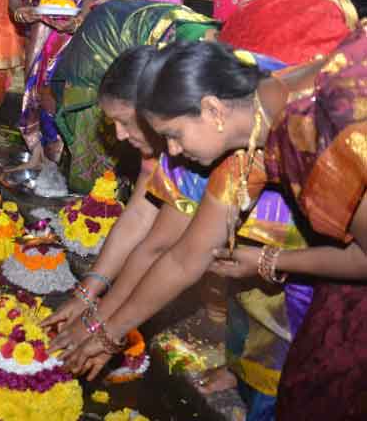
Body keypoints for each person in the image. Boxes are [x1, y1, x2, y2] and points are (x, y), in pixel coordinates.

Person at [59, 36, 367, 420]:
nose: (170, 151)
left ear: (212, 110)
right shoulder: (252, 126)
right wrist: (107, 333)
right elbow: (186, 257)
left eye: (173, 135)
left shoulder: (311, 137)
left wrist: (270, 258)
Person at [50, 0, 218, 192]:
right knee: (106, 147)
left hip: (137, 31)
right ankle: (96, 200)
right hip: (103, 42)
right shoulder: (180, 75)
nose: (120, 133)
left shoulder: (196, 87)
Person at [5, 0, 96, 173]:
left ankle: (58, 154)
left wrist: (77, 19)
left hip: (68, 34)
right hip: (38, 30)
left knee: (51, 91)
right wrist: (21, 10)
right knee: (32, 89)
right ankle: (37, 152)